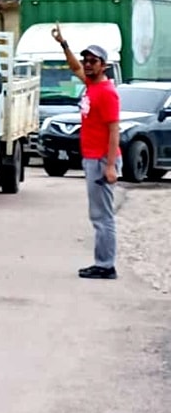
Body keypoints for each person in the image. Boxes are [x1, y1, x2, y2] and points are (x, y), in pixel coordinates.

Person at [51, 24, 121, 280]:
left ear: (104, 65)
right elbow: (74, 68)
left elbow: (114, 130)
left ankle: (106, 265)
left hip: (102, 159)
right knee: (97, 214)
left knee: (103, 216)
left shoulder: (107, 93)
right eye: (86, 60)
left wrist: (111, 166)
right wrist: (64, 44)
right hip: (92, 157)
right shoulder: (92, 85)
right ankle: (102, 262)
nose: (87, 64)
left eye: (94, 61)